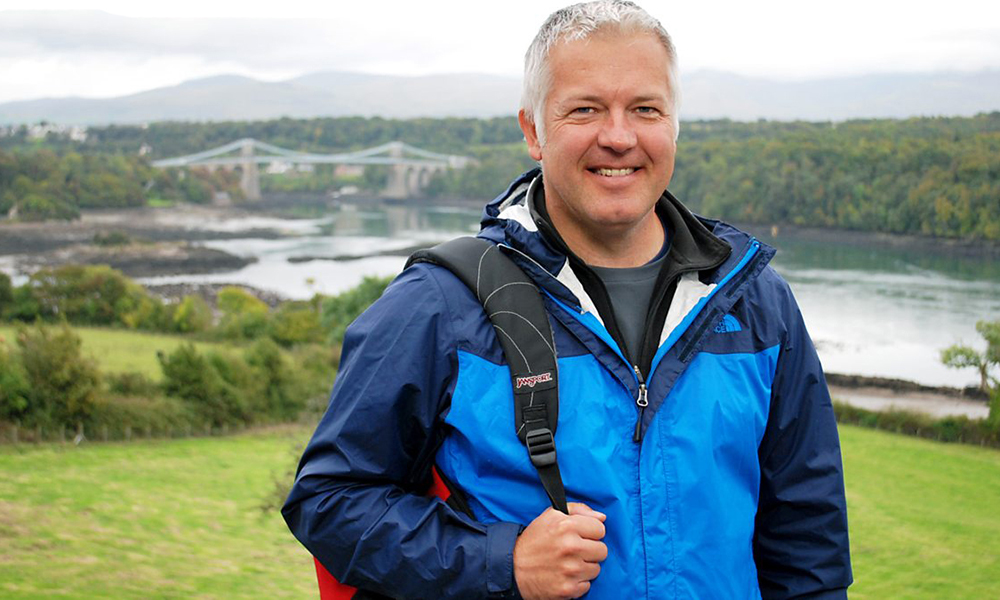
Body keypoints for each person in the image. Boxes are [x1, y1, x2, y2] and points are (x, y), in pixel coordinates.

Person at [282, 1, 853, 598]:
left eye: (646, 109)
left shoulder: (756, 301)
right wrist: (501, 561)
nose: (619, 137)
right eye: (585, 109)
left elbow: (807, 543)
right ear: (533, 131)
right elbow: (328, 500)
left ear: (674, 124)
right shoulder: (440, 305)